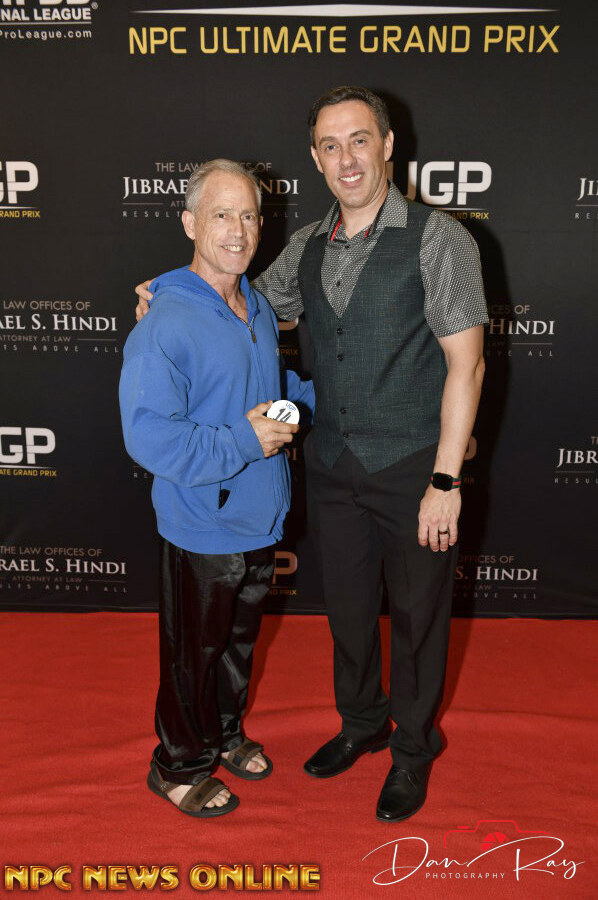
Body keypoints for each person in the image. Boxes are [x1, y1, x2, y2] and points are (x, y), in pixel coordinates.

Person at [135, 86, 488, 822]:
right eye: (330, 145)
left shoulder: (438, 238)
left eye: (359, 140)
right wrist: (164, 290)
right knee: (350, 613)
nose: (346, 158)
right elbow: (231, 295)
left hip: (414, 469)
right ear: (316, 158)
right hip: (331, 471)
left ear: (387, 145)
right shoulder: (303, 247)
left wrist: (447, 479)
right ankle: (362, 724)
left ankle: (412, 750)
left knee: (418, 621)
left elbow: (469, 365)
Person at [120, 159, 314, 818]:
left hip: (260, 516)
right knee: (192, 657)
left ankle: (224, 734)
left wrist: (324, 403)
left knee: (236, 646)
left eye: (249, 215)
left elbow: (268, 393)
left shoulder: (256, 304)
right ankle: (177, 764)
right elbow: (149, 438)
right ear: (189, 223)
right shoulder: (165, 320)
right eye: (221, 214)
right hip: (201, 523)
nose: (237, 230)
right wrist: (242, 441)